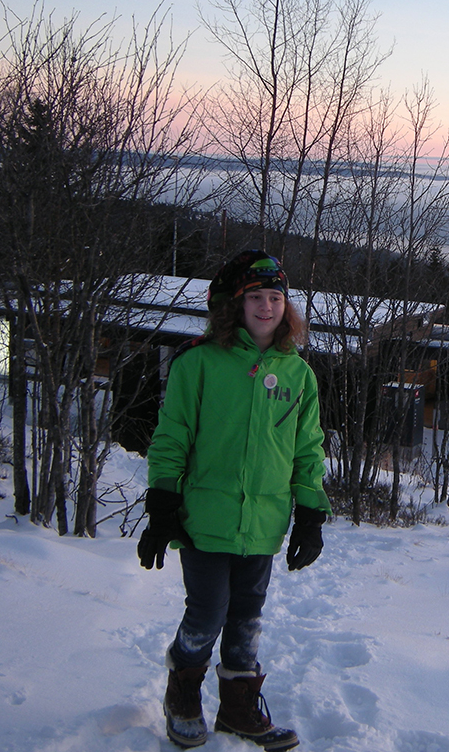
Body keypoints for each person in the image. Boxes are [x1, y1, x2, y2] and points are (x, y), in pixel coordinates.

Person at [138, 250, 330, 750]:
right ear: (235, 305)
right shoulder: (198, 362)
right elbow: (172, 437)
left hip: (263, 523)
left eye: (276, 297)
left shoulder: (298, 376)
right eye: (256, 297)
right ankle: (182, 692)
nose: (266, 307)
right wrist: (161, 506)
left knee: (247, 615)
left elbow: (308, 451)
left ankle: (238, 709)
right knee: (207, 612)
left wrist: (311, 514)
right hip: (205, 518)